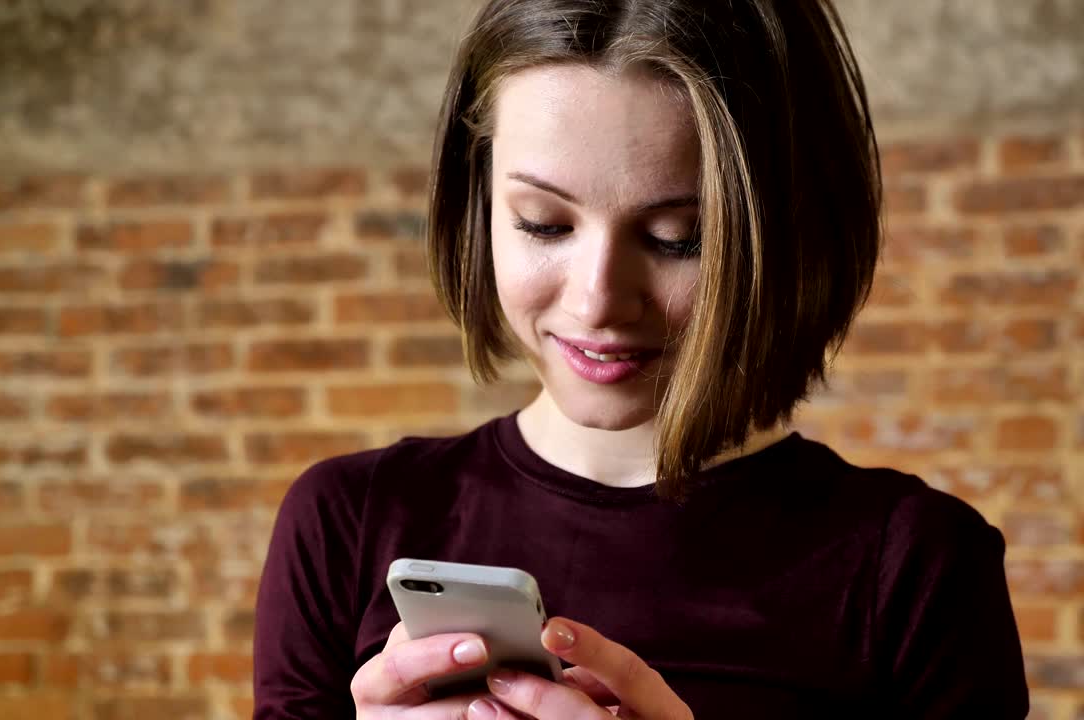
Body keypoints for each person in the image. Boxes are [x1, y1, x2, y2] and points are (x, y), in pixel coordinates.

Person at [253, 0, 1031, 717]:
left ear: (790, 235)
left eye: (676, 239)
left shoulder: (916, 567)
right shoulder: (345, 521)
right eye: (543, 224)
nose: (597, 301)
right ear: (480, 206)